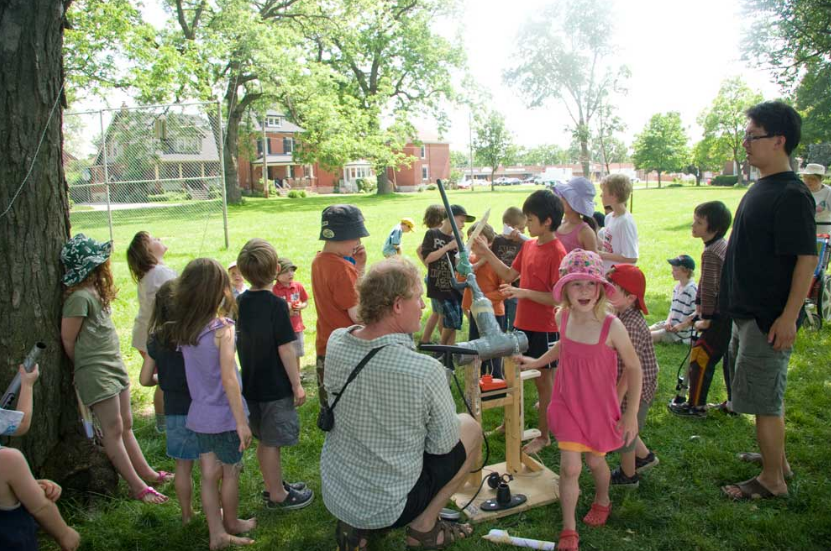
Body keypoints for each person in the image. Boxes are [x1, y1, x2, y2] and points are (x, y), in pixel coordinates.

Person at [320, 259, 482, 551]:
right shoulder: (423, 370)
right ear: (397, 305)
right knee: (469, 427)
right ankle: (424, 530)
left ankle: (356, 526)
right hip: (389, 503)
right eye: (418, 297)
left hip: (339, 492)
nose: (422, 305)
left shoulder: (336, 341)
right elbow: (442, 446)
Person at [720, 101, 816, 501]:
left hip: (768, 318)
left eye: (752, 135)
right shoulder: (764, 185)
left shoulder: (792, 194)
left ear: (778, 141)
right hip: (747, 314)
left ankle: (772, 480)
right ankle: (777, 461)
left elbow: (806, 260)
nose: (745, 143)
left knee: (765, 402)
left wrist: (788, 317)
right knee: (759, 397)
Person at [515, 249, 642, 551]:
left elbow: (634, 367)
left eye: (590, 284)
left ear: (600, 290)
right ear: (565, 291)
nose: (584, 291)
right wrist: (536, 362)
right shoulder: (563, 316)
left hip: (598, 408)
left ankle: (603, 499)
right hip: (567, 403)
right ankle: (569, 530)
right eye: (576, 284)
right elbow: (563, 346)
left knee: (596, 461)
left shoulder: (612, 326)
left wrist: (632, 413)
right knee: (570, 467)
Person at [60, 234, 171, 505]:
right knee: (113, 429)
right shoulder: (78, 299)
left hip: (114, 366)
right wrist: (83, 367)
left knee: (126, 425)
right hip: (97, 372)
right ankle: (137, 487)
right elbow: (68, 339)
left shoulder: (95, 292)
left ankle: (147, 474)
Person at [473, 189, 566, 455]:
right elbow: (508, 275)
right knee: (513, 374)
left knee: (542, 383)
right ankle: (510, 422)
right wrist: (486, 252)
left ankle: (544, 436)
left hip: (545, 328)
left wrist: (522, 292)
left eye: (530, 218)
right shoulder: (527, 246)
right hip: (521, 323)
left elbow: (558, 297)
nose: (525, 224)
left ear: (547, 221)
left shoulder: (557, 252)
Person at [171, 258, 256, 549]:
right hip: (225, 416)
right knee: (230, 471)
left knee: (208, 474)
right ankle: (230, 524)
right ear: (219, 289)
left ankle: (216, 533)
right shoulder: (223, 328)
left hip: (200, 415)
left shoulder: (185, 329)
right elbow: (230, 379)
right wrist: (241, 421)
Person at [236, 239, 312, 510]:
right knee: (271, 443)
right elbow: (286, 349)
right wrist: (296, 385)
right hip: (275, 386)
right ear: (276, 268)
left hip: (251, 384)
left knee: (265, 441)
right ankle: (277, 495)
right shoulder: (277, 305)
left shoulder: (239, 302)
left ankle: (275, 484)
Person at [0, 364, 81, 551]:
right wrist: (65, 534)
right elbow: (41, 508)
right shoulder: (8, 461)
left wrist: (26, 483)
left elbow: (21, 422)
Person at [139, 280, 199, 524]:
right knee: (209, 466)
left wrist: (160, 378)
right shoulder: (196, 334)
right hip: (201, 409)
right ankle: (216, 509)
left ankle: (186, 514)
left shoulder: (156, 338)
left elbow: (144, 379)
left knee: (182, 468)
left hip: (174, 412)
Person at [669, 201, 733, 418]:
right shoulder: (718, 246)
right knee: (723, 358)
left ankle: (695, 406)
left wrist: (706, 317)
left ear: (713, 228)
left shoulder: (712, 252)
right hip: (725, 313)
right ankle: (732, 402)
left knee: (701, 356)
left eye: (699, 222)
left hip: (719, 315)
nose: (693, 225)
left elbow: (709, 286)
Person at [606, 264, 660, 487]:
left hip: (635, 388)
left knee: (624, 429)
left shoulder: (631, 325)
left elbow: (632, 368)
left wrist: (616, 398)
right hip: (625, 385)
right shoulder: (620, 316)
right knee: (627, 424)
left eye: (612, 288)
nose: (606, 291)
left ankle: (628, 475)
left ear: (630, 298)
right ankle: (646, 457)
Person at [311, 204, 370, 409]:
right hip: (346, 350)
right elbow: (357, 315)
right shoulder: (343, 269)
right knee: (349, 409)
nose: (358, 243)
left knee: (329, 409)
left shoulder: (319, 261)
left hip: (325, 346)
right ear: (344, 235)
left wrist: (359, 268)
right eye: (356, 237)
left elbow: (345, 294)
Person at [127, 231, 177, 433]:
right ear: (147, 252)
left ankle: (163, 421)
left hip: (147, 335)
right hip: (156, 336)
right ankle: (163, 423)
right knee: (165, 380)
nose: (160, 238)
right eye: (154, 239)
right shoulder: (159, 273)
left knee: (165, 378)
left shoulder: (154, 273)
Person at [421, 204, 475, 346]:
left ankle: (448, 350)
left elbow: (458, 265)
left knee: (455, 321)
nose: (463, 225)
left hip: (452, 285)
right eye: (461, 221)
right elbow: (427, 258)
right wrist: (447, 247)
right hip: (438, 285)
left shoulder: (456, 238)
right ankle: (443, 347)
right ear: (450, 219)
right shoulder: (432, 234)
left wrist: (462, 251)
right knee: (450, 319)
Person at [459, 221, 506, 378]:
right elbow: (460, 280)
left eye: (480, 240)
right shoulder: (469, 261)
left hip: (494, 313)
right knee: (476, 348)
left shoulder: (497, 264)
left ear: (490, 243)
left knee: (494, 350)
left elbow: (505, 290)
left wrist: (484, 299)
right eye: (472, 239)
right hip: (475, 313)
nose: (475, 244)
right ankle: (477, 382)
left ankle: (496, 381)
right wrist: (464, 264)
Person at [491, 206, 529, 331]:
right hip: (498, 289)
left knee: (515, 321)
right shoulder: (497, 241)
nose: (523, 232)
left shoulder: (522, 243)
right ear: (509, 226)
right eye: (521, 228)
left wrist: (515, 276)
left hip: (515, 288)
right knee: (499, 320)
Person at [272, 257, 309, 376]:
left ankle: (297, 373)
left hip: (297, 326)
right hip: (282, 328)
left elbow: (305, 301)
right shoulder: (274, 290)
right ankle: (286, 374)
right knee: (285, 353)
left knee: (297, 352)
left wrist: (301, 306)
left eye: (292, 270)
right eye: (286, 271)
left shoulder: (297, 286)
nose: (290, 274)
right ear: (277, 274)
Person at [650, 255, 697, 345]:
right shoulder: (677, 287)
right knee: (646, 329)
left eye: (675, 270)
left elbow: (697, 314)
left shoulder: (692, 290)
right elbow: (673, 309)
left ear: (686, 272)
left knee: (649, 336)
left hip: (680, 333)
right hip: (671, 324)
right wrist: (668, 321)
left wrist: (681, 326)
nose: (672, 272)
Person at [416, 204, 446, 344]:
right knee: (442, 315)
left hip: (434, 277)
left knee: (436, 312)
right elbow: (419, 249)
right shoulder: (435, 234)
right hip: (437, 279)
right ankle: (443, 345)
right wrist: (430, 266)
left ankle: (425, 340)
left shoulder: (434, 232)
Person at [598, 174, 638, 272]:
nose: (601, 195)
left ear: (614, 195)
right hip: (607, 274)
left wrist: (601, 254)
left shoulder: (625, 222)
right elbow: (609, 245)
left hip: (618, 277)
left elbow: (631, 257)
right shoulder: (608, 218)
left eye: (604, 191)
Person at [553, 177, 598, 253]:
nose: (560, 199)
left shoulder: (585, 232)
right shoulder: (558, 224)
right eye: (561, 195)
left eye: (565, 197)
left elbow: (594, 261)